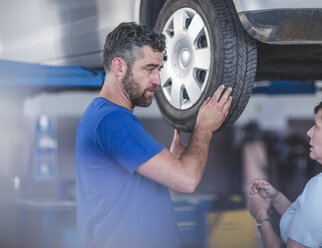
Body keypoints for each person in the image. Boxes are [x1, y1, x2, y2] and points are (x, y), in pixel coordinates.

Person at [75, 22, 232, 248]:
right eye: (149, 69)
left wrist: (171, 161)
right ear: (119, 67)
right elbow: (187, 180)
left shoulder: (108, 117)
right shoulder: (112, 120)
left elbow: (128, 190)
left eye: (158, 69)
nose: (157, 80)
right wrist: (205, 127)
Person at [247, 97, 322, 248]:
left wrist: (261, 217)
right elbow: (312, 222)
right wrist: (276, 197)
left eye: (317, 126)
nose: (309, 132)